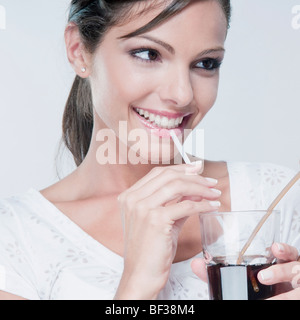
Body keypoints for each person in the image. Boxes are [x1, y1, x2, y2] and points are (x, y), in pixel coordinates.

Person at [0, 0, 299, 300]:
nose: (182, 94)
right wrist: (135, 287)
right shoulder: (17, 239)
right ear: (79, 50)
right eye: (148, 54)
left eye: (206, 63)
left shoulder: (279, 200)